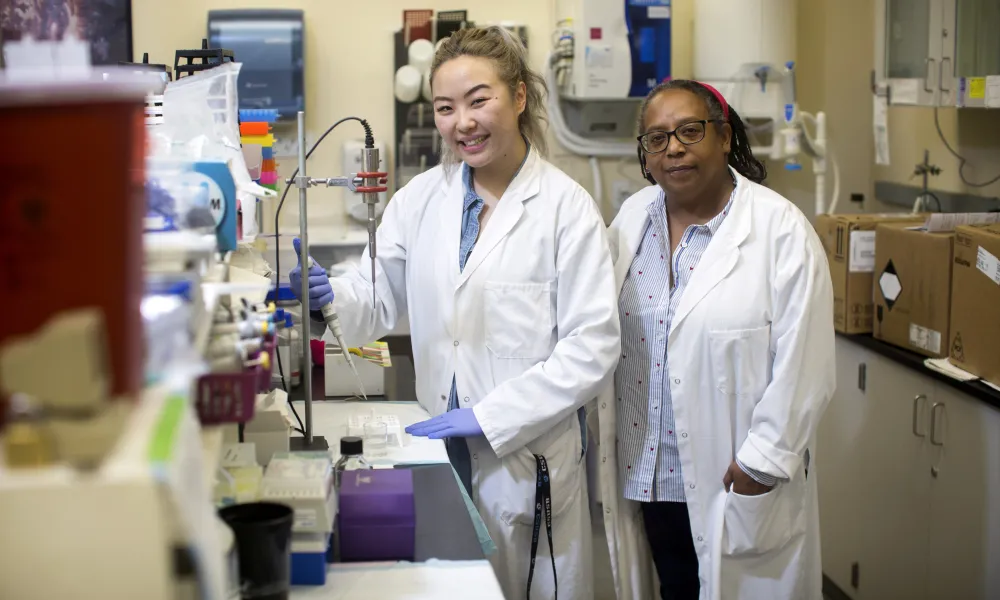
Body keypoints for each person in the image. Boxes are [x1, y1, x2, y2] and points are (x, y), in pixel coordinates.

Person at [289, 26, 619, 600]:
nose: (461, 122)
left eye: (478, 100)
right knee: (448, 582)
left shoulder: (567, 209)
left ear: (519, 97)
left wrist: (490, 416)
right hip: (434, 443)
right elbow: (377, 298)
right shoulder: (420, 199)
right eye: (445, 107)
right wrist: (329, 298)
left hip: (523, 451)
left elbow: (592, 348)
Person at [593, 79, 835, 600]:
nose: (673, 148)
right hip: (648, 474)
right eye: (656, 139)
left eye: (689, 130)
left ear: (724, 137)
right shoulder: (631, 221)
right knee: (672, 588)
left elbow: (807, 363)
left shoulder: (780, 232)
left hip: (734, 478)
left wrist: (763, 459)